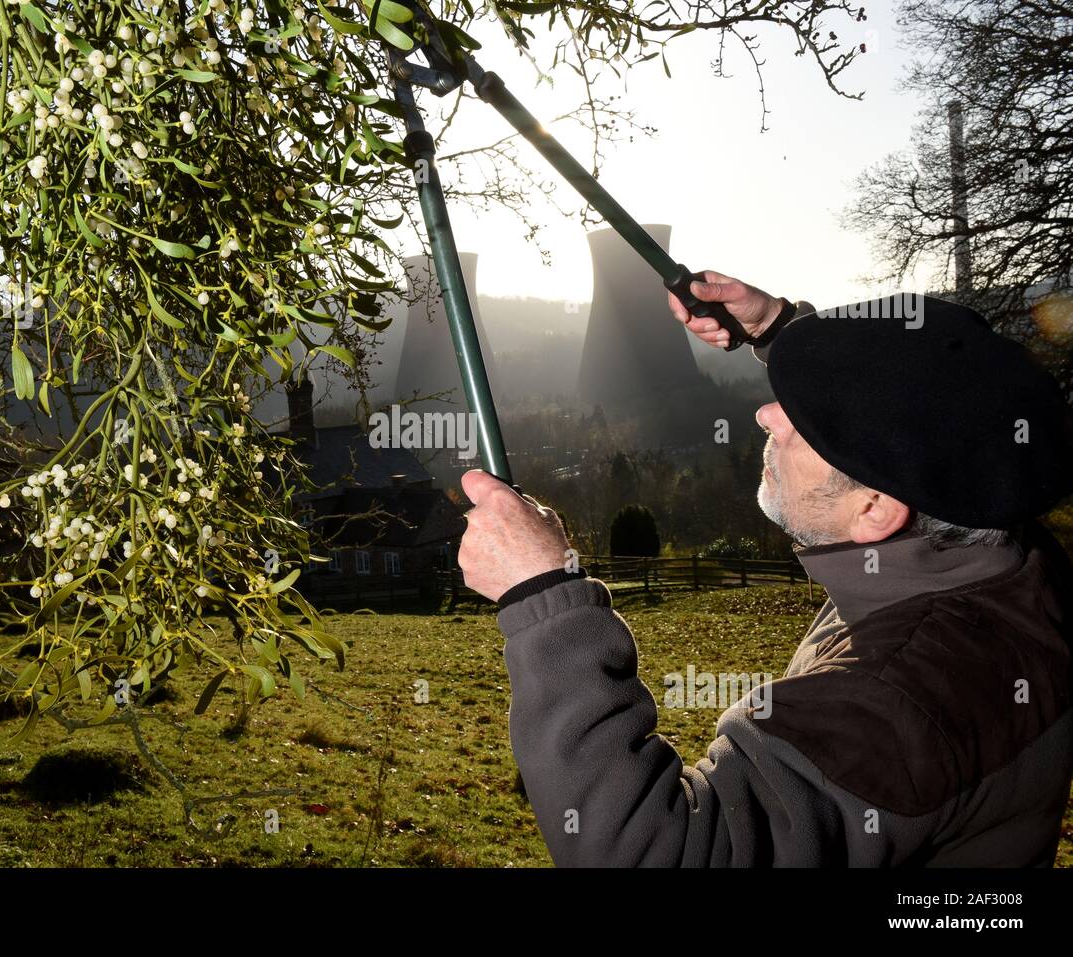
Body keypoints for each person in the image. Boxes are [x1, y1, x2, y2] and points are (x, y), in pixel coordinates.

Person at [458, 273, 1073, 866]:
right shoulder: (1004, 556)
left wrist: (541, 592)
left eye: (805, 423)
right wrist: (780, 331)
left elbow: (656, 853)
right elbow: (940, 404)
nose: (766, 417)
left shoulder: (893, 701)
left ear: (876, 508)